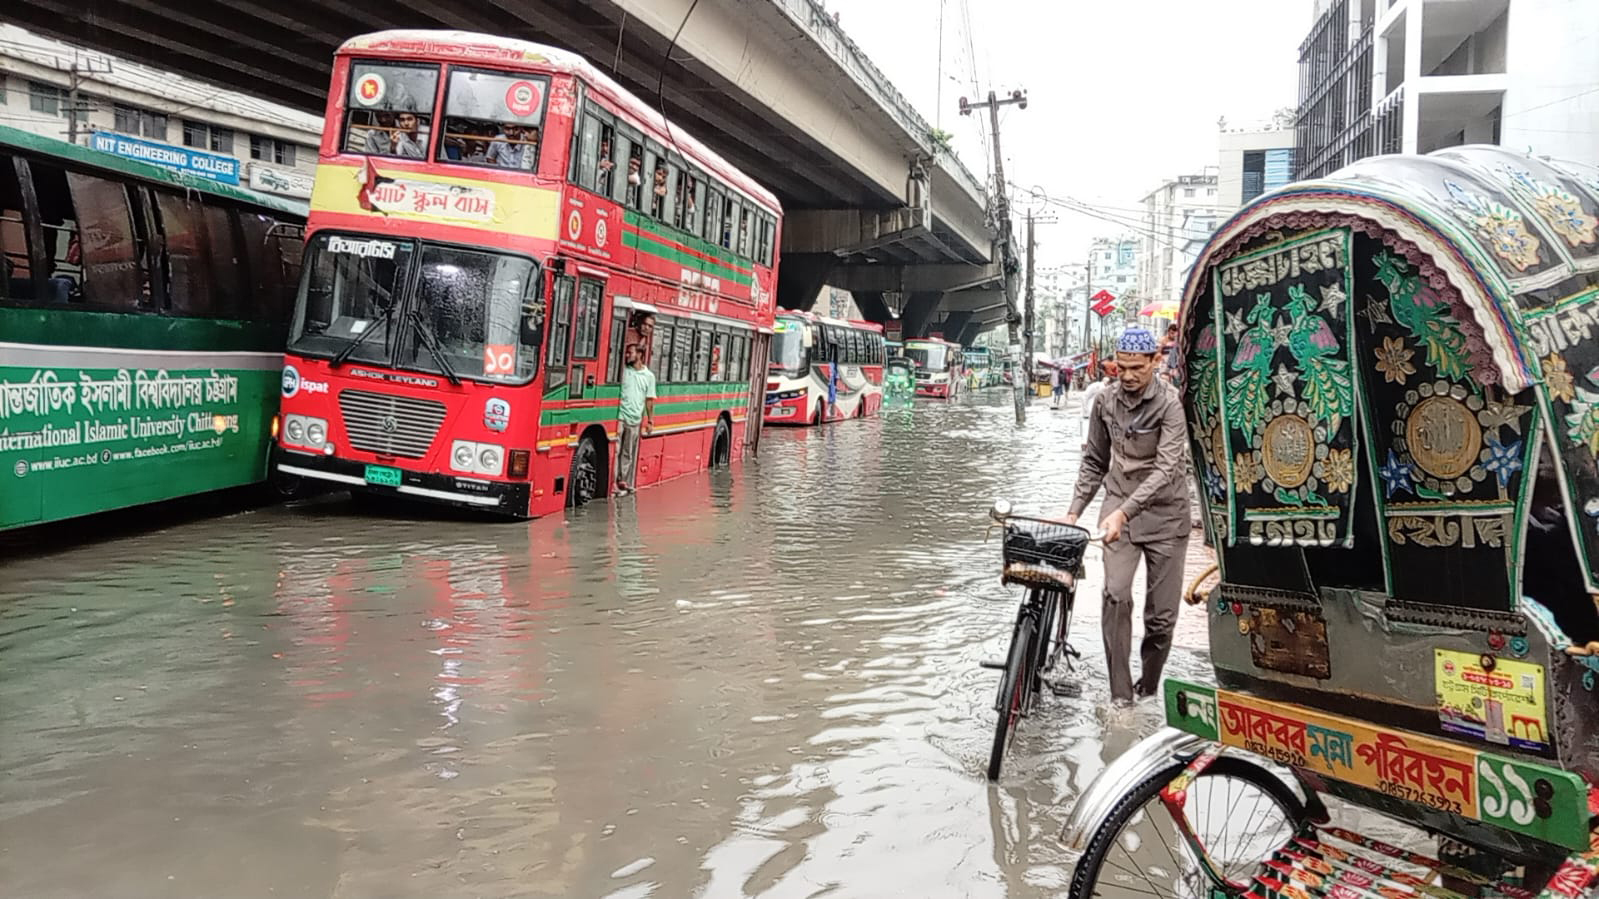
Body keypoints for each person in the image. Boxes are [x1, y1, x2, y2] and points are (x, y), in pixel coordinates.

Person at [1065, 328, 1192, 706]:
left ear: (1155, 362)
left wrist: (1123, 511)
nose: (1129, 375)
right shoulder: (1105, 401)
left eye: (1137, 368)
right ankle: (1120, 696)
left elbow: (1167, 467)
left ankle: (1149, 686)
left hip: (1166, 516)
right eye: (1121, 367)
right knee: (1116, 595)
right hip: (1118, 511)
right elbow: (1094, 461)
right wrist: (1074, 510)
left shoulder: (1170, 405)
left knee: (1162, 618)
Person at [614, 342, 656, 496]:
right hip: (620, 417)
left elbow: (649, 400)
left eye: (629, 352)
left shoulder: (649, 376)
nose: (626, 356)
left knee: (627, 453)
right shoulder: (624, 372)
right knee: (616, 450)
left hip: (635, 419)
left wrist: (650, 421)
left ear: (639, 355)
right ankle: (614, 483)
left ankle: (623, 480)